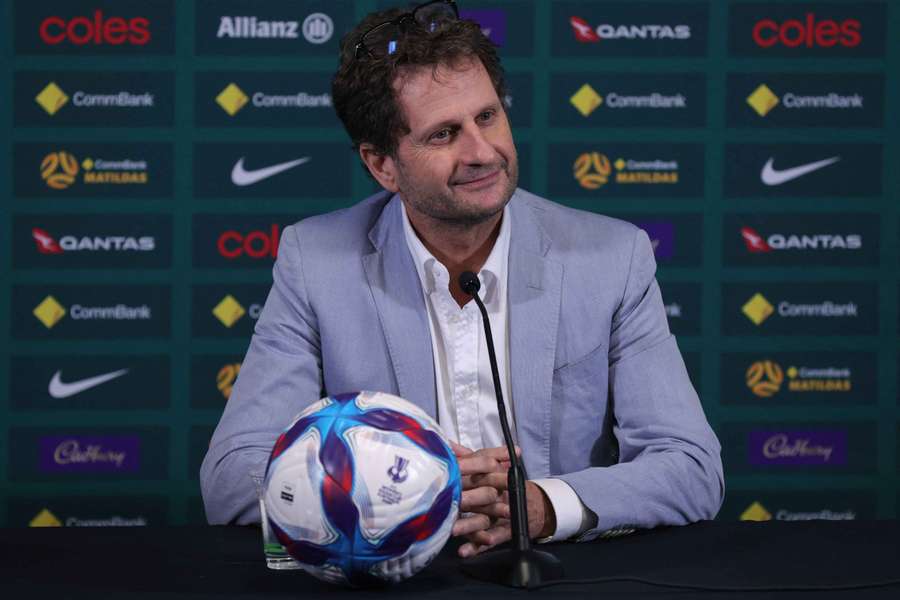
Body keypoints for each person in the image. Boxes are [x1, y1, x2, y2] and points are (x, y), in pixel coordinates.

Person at [201, 0, 723, 558]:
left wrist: (543, 506)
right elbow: (232, 478)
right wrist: (406, 491)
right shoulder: (316, 262)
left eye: (488, 117)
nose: (483, 152)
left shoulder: (612, 259)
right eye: (444, 134)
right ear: (382, 165)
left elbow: (689, 466)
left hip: (557, 572)